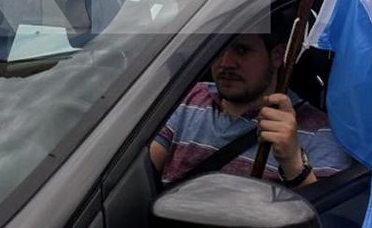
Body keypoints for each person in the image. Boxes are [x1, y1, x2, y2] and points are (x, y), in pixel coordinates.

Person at [149, 30, 353, 187]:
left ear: (277, 56)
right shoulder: (189, 98)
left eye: (242, 50)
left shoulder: (319, 132)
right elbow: (140, 171)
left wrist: (293, 163)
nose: (226, 63)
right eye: (219, 50)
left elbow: (325, 217)